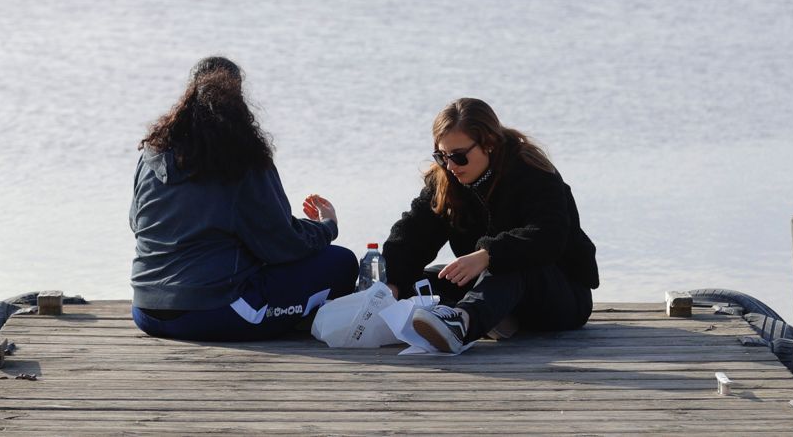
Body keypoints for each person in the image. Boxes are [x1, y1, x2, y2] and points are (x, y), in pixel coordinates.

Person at [130, 56, 358, 341]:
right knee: (342, 262)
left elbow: (137, 224)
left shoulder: (151, 155)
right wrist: (326, 227)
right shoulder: (242, 160)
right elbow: (281, 243)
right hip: (211, 313)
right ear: (239, 99)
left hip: (146, 311)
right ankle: (290, 318)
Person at [382, 97, 598, 353]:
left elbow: (550, 236)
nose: (450, 166)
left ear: (489, 144)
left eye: (459, 156)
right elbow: (414, 235)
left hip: (560, 297)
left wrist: (488, 255)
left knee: (510, 266)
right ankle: (496, 318)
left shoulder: (532, 171)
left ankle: (461, 323)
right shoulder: (445, 180)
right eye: (442, 156)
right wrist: (391, 283)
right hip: (488, 284)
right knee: (427, 279)